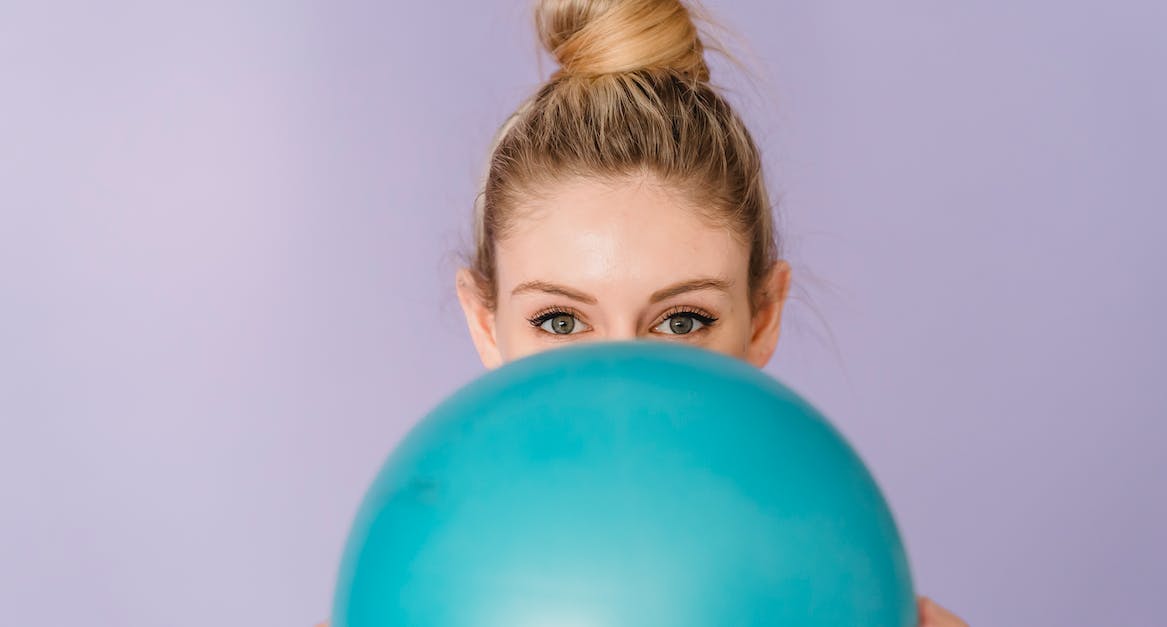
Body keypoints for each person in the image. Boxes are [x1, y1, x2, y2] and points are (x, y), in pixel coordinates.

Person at [324, 1, 967, 625]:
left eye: (682, 321)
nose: (619, 386)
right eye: (560, 321)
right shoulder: (420, 580)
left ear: (763, 317)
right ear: (486, 323)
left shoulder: (834, 571)